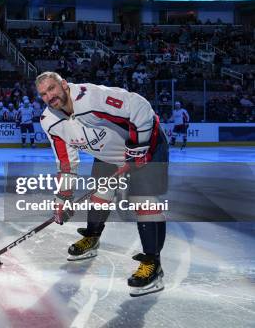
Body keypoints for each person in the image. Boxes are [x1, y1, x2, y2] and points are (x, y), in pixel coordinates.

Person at [36, 72, 168, 297]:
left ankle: (153, 264)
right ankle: (92, 237)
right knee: (100, 194)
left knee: (143, 202)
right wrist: (63, 197)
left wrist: (138, 151)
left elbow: (140, 107)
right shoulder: (49, 121)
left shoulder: (91, 98)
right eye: (43, 94)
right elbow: (66, 162)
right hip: (108, 155)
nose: (49, 96)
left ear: (64, 85)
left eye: (52, 89)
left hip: (147, 147)